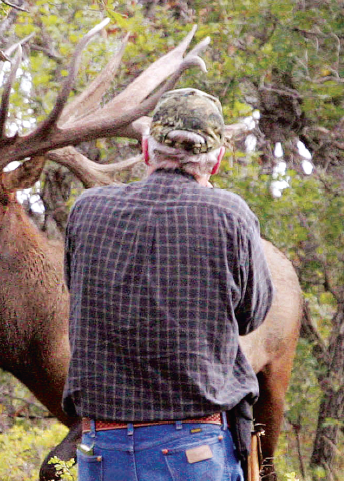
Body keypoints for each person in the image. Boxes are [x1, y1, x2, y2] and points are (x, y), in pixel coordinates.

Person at [63, 88, 274, 481]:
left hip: (100, 447)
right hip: (193, 447)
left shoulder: (86, 210)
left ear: (146, 150)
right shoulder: (230, 213)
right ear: (216, 161)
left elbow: (77, 293)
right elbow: (252, 315)